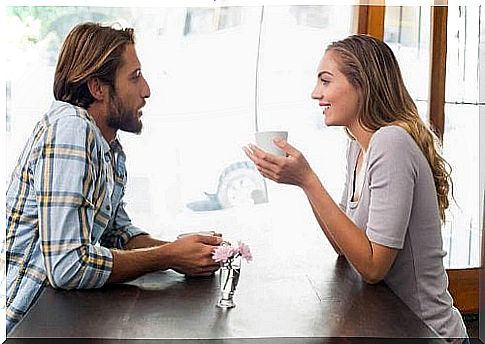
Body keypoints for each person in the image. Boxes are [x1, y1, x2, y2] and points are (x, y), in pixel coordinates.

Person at [244, 34, 468, 342]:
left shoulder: (392, 144)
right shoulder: (358, 147)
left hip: (427, 332)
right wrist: (302, 183)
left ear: (361, 84)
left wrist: (308, 180)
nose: (315, 93)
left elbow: (373, 267)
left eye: (325, 81)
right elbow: (345, 247)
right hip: (389, 325)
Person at [5, 22, 222, 333]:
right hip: (29, 326)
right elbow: (68, 266)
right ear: (97, 88)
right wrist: (168, 255)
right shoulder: (71, 129)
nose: (146, 90)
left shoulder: (108, 147)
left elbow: (115, 234)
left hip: (62, 318)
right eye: (134, 77)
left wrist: (186, 253)